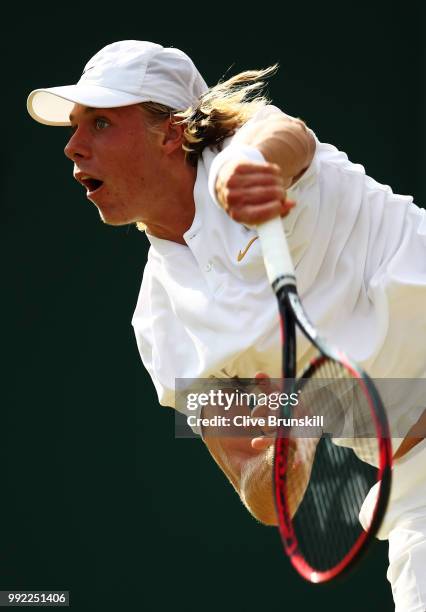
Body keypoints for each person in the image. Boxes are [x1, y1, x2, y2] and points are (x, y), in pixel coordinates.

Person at [27, 40, 426, 611]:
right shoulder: (162, 323)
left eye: (99, 123)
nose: (72, 147)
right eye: (74, 127)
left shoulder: (251, 149)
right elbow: (262, 494)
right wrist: (292, 441)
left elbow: (287, 137)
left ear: (171, 132)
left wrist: (248, 172)